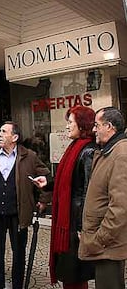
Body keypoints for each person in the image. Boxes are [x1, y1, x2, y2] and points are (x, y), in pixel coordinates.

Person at [0, 121, 50, 289]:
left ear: (15, 137)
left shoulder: (29, 157)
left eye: (4, 132)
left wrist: (43, 200)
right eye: (0, 131)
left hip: (19, 213)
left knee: (19, 252)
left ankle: (18, 284)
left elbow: (46, 177)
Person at [78, 107, 127, 289]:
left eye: (97, 125)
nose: (93, 130)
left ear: (109, 126)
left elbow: (120, 207)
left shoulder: (120, 154)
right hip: (105, 244)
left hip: (109, 245)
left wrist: (100, 238)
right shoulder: (109, 150)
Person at [49, 106, 96, 289]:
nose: (67, 126)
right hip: (68, 222)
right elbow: (68, 182)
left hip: (74, 224)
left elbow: (87, 192)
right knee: (70, 273)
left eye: (70, 122)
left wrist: (82, 227)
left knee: (75, 275)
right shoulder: (75, 147)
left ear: (82, 124)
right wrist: (48, 182)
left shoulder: (88, 151)